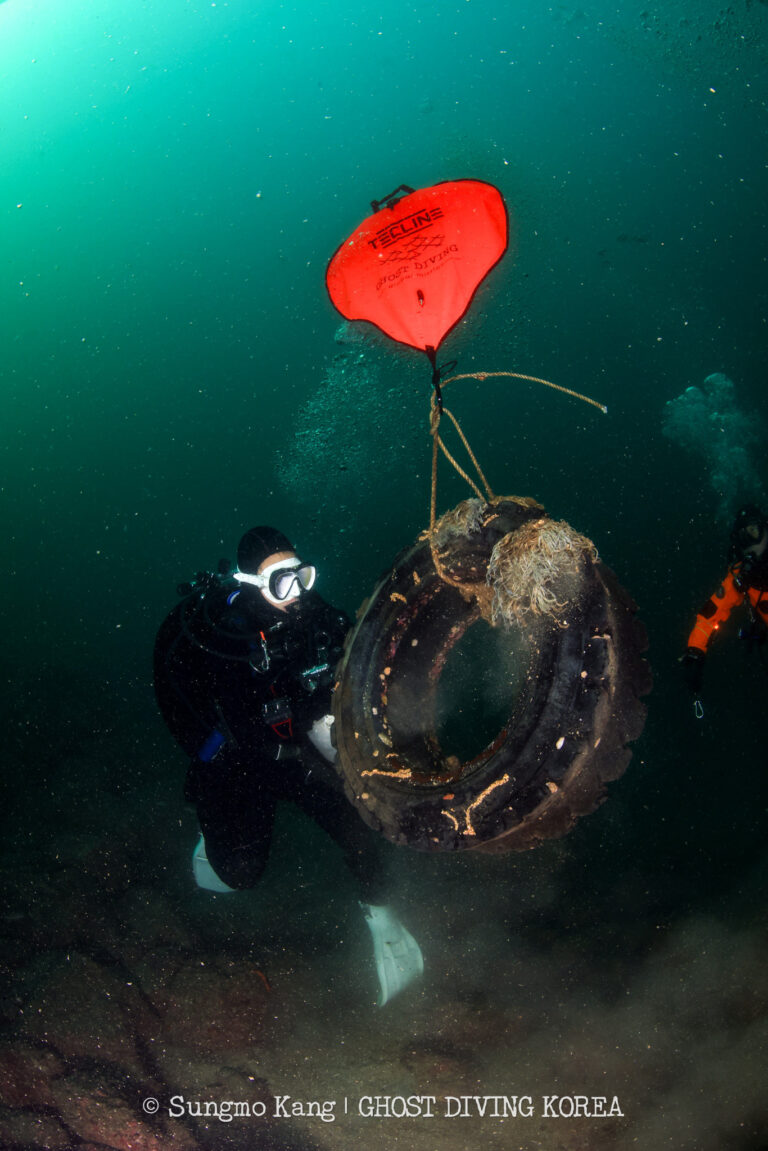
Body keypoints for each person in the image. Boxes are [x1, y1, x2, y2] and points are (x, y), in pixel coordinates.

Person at [153, 525, 423, 1006]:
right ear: (251, 584)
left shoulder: (320, 619)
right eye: (281, 581)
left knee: (365, 821)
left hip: (302, 755)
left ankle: (383, 922)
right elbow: (187, 700)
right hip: (244, 763)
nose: (297, 591)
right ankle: (211, 831)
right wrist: (215, 753)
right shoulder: (223, 636)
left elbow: (362, 672)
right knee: (240, 874)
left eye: (302, 576)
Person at [681, 504, 768, 713]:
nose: (750, 545)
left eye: (753, 532)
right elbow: (709, 616)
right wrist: (695, 653)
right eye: (743, 538)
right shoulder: (739, 579)